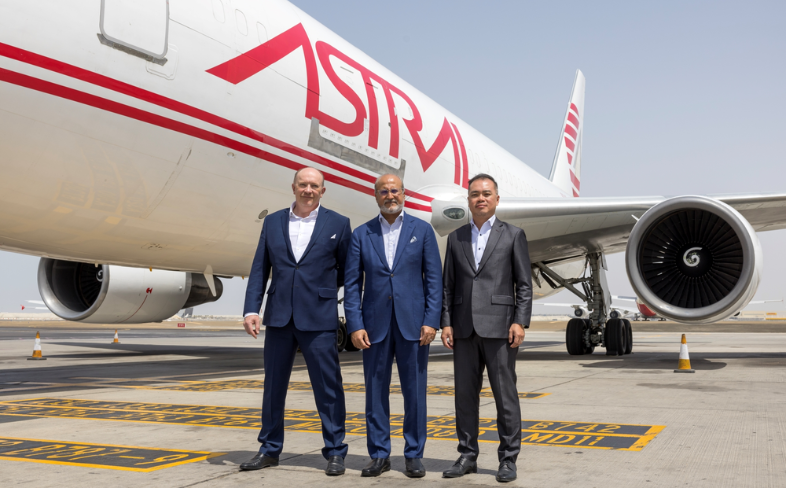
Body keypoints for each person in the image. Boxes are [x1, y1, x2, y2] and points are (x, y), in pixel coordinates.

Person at [240, 167, 352, 476]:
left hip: (318, 317)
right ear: (293, 187)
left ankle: (335, 451)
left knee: (328, 387)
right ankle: (269, 448)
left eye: (314, 185)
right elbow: (260, 267)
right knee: (273, 386)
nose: (308, 190)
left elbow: (346, 269)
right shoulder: (273, 221)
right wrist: (252, 309)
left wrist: (322, 290)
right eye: (303, 184)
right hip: (278, 317)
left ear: (322, 190)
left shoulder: (339, 224)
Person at [343, 174, 442, 478]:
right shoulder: (362, 234)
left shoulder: (422, 231)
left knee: (414, 394)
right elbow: (351, 285)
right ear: (376, 196)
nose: (390, 195)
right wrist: (354, 324)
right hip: (374, 327)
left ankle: (413, 454)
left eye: (394, 190)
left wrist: (431, 320)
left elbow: (434, 280)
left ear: (404, 194)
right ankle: (379, 454)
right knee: (375, 393)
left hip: (413, 326)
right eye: (383, 191)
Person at [440, 173, 532, 483]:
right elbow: (447, 286)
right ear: (468, 200)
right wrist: (446, 323)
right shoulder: (456, 238)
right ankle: (467, 455)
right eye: (475, 194)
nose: (480, 198)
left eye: (486, 193)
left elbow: (523, 283)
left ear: (496, 199)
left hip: (501, 328)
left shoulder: (513, 235)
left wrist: (520, 320)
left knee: (505, 396)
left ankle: (508, 458)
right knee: (465, 396)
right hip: (464, 329)